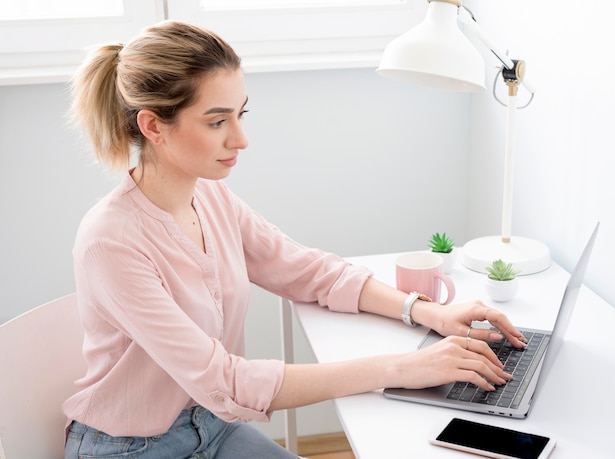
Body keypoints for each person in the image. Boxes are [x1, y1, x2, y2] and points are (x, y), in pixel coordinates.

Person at [63, 20, 527, 459]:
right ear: (152, 126)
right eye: (217, 121)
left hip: (213, 427)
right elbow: (227, 380)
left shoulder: (211, 198)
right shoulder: (111, 241)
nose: (241, 139)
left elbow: (307, 271)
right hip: (133, 447)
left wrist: (428, 312)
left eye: (240, 114)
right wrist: (404, 369)